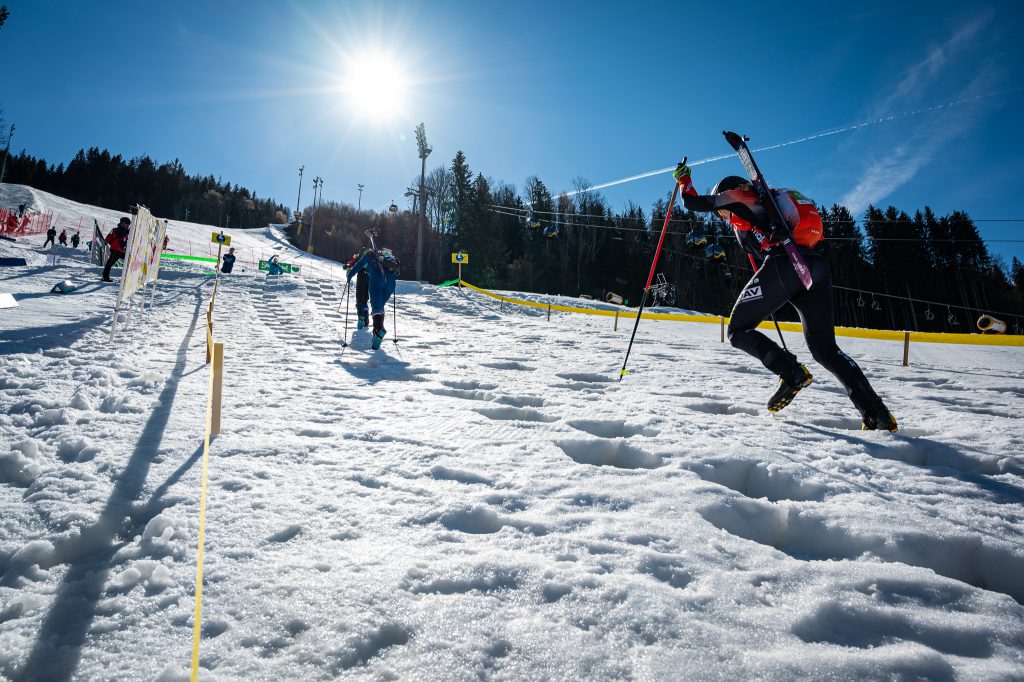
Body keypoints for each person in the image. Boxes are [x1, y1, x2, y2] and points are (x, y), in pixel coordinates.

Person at [672, 161, 897, 431]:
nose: (724, 217)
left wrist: (684, 180)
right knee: (826, 350)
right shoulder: (765, 205)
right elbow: (757, 247)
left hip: (786, 265)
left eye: (723, 214)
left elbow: (693, 204)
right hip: (815, 267)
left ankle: (791, 372)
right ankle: (877, 414)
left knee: (737, 329)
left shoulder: (737, 195)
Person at [346, 244, 399, 350]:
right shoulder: (387, 257)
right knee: (380, 306)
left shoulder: (370, 255)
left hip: (377, 279)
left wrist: (349, 276)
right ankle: (377, 332)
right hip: (391, 284)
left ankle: (379, 329)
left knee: (376, 307)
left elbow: (358, 266)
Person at [345, 247, 372, 329]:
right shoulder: (370, 259)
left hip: (361, 279)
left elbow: (351, 267)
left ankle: (361, 316)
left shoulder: (360, 258)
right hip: (369, 279)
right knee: (365, 301)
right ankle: (366, 320)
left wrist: (348, 273)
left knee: (359, 300)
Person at [102, 217, 131, 282]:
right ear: (122, 223)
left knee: (130, 261)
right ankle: (105, 277)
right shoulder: (115, 230)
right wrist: (114, 243)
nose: (128, 225)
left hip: (122, 250)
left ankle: (128, 277)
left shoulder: (128, 232)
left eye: (128, 224)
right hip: (115, 250)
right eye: (126, 223)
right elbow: (108, 239)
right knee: (110, 263)